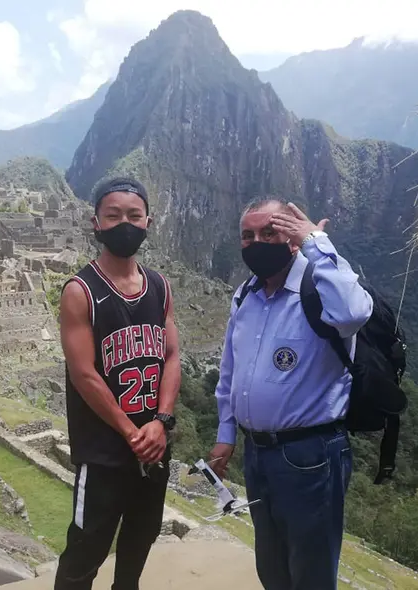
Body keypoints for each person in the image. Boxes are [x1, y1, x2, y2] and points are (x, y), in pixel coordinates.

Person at [208, 197, 373, 590]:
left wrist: (316, 240)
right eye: (248, 236)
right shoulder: (245, 295)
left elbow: (354, 313)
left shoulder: (320, 287)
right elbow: (231, 370)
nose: (256, 243)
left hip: (310, 454)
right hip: (257, 453)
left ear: (292, 238)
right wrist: (226, 434)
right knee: (272, 565)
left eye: (269, 232)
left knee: (311, 570)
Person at [53, 176, 181, 590]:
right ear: (96, 223)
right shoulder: (81, 291)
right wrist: (130, 432)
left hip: (154, 446)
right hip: (105, 452)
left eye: (133, 215)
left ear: (148, 222)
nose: (124, 224)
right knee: (86, 548)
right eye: (113, 216)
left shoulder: (159, 287)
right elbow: (84, 373)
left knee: (141, 536)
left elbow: (171, 356)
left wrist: (161, 421)